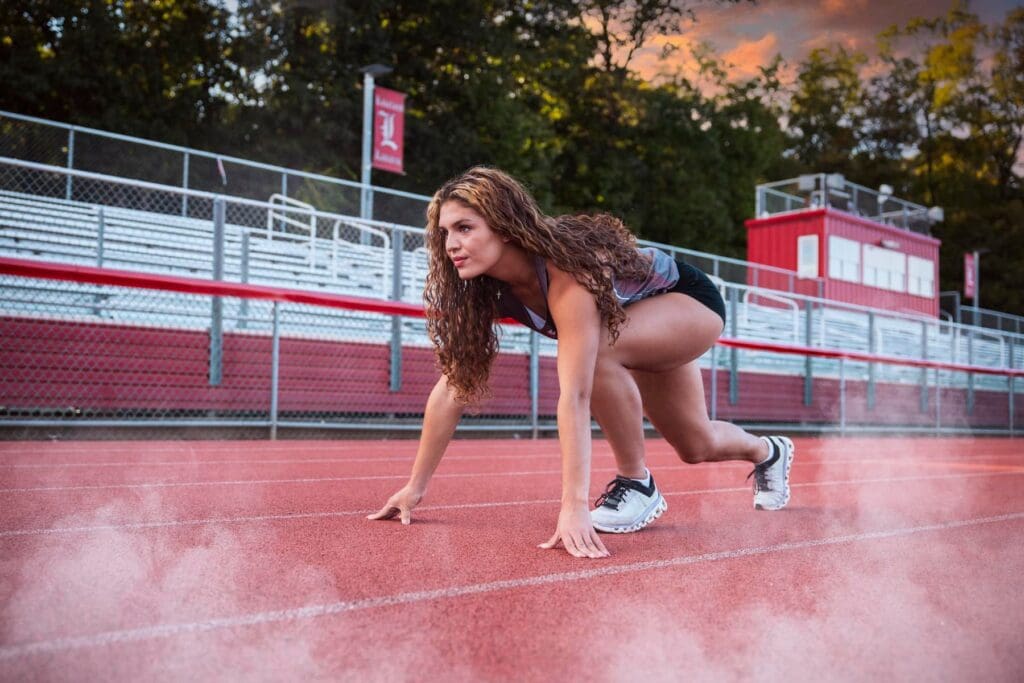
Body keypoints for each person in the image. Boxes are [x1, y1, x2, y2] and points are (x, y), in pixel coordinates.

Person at [368, 167, 794, 559]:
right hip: (634, 327)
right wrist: (414, 487)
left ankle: (636, 484)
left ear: (505, 226)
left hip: (687, 304)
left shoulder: (565, 270)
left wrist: (572, 506)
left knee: (598, 351)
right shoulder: (486, 291)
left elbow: (575, 393)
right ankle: (768, 451)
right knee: (696, 445)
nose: (452, 245)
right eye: (445, 232)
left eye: (465, 228)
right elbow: (453, 386)